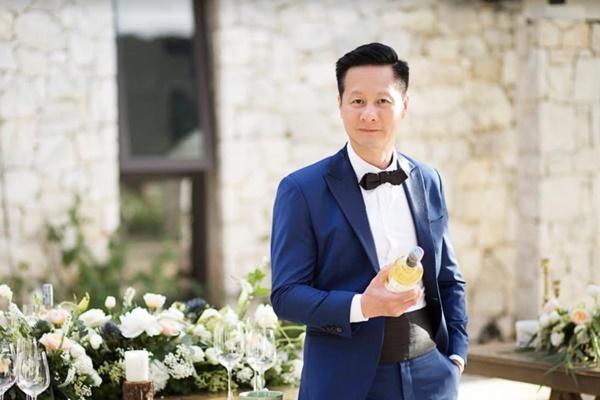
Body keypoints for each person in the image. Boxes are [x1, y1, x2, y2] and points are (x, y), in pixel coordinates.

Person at [270, 42, 468, 400]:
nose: (369, 114)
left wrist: (456, 356)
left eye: (383, 101)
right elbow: (286, 295)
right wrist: (364, 305)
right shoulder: (301, 190)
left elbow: (448, 277)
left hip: (433, 375)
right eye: (357, 101)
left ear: (404, 106)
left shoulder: (428, 179)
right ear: (340, 105)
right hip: (344, 382)